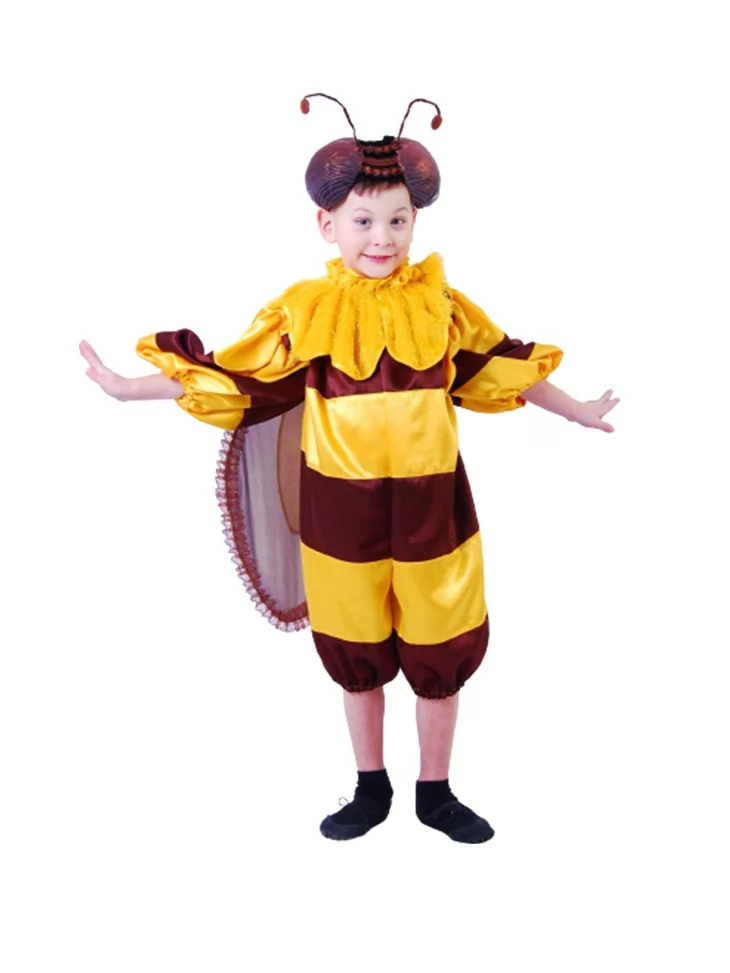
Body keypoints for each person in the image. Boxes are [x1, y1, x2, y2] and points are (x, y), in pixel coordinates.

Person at [79, 93, 619, 844]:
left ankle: (437, 792)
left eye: (398, 220)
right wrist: (126, 387)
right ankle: (371, 787)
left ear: (416, 222)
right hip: (342, 524)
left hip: (435, 519)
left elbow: (505, 367)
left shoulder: (442, 307)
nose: (382, 237)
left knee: (440, 649)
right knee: (355, 653)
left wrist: (577, 408)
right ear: (326, 225)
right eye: (363, 221)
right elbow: (235, 375)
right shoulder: (306, 313)